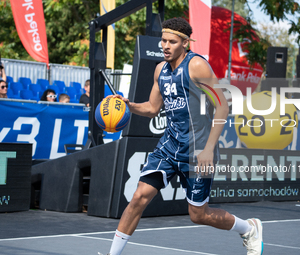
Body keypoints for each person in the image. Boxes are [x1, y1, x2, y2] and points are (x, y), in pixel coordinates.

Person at [100, 18, 263, 255]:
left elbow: (222, 107)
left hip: (198, 149)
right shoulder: (160, 70)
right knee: (139, 197)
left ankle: (248, 229)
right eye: (163, 41)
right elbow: (152, 108)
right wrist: (129, 106)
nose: (165, 46)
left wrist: (208, 149)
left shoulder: (197, 66)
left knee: (199, 215)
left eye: (172, 42)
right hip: (169, 145)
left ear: (185, 43)